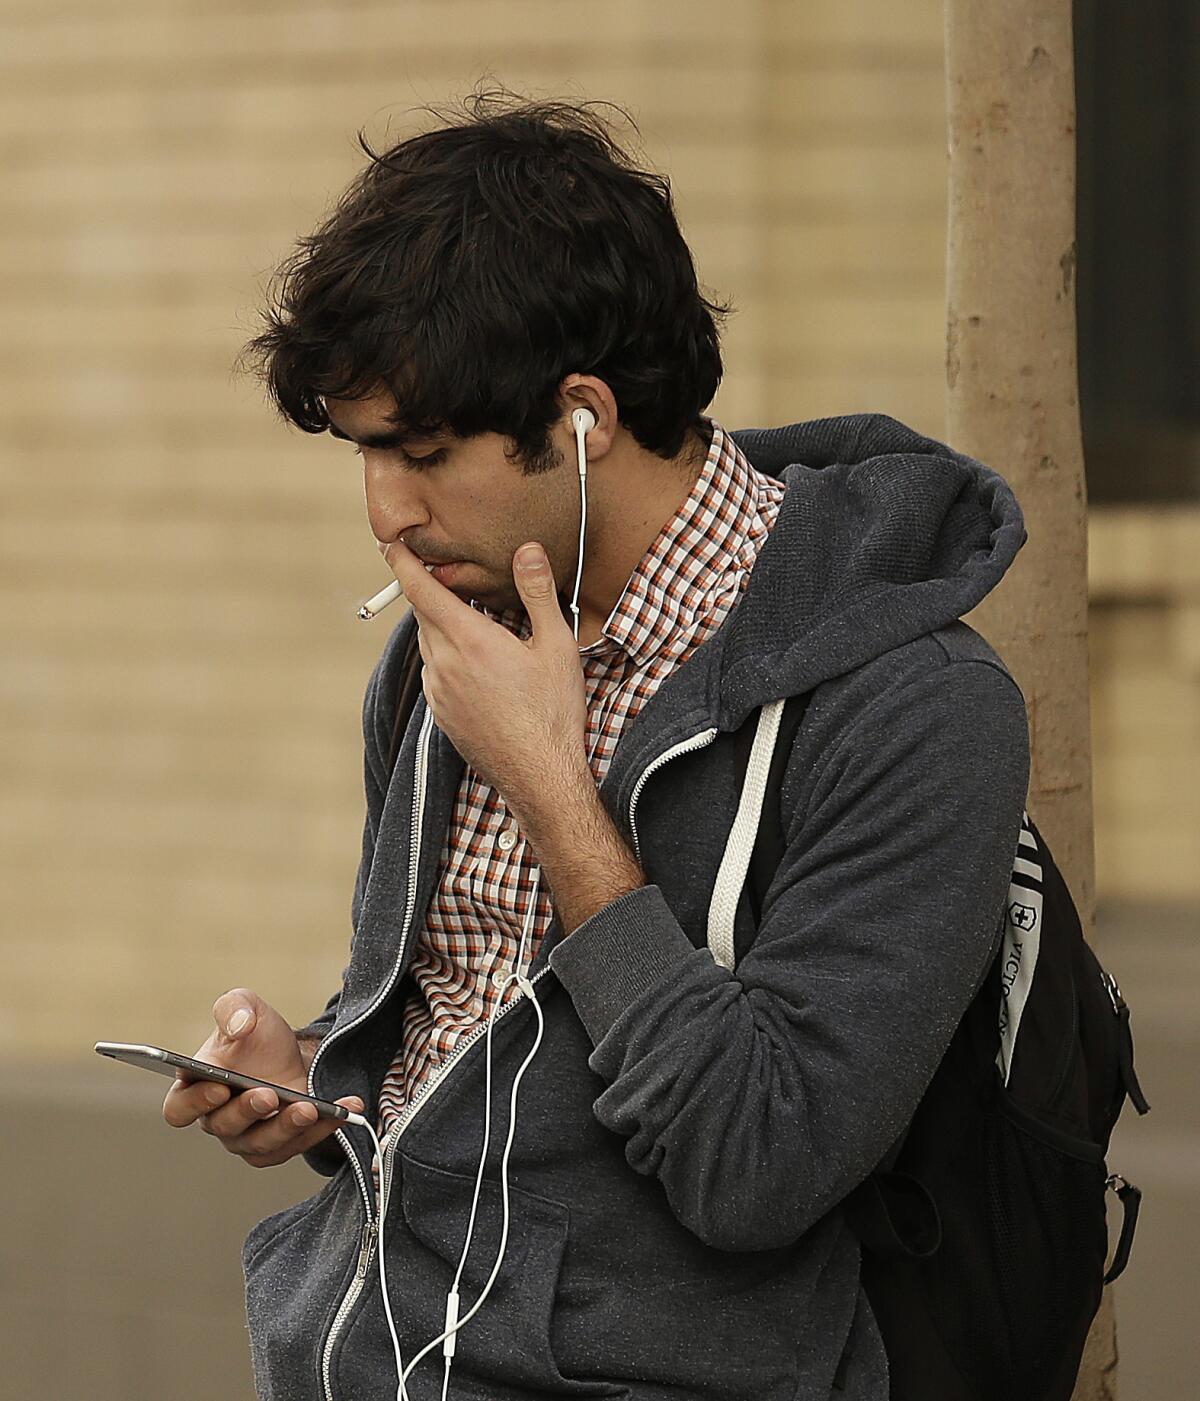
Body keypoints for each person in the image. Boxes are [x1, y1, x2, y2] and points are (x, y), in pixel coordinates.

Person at [162, 91, 1030, 1401]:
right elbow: (484, 1048)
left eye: (423, 450)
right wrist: (317, 1085)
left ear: (582, 418)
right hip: (365, 1359)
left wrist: (556, 791)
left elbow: (761, 1163)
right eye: (362, 453)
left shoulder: (914, 707)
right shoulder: (448, 649)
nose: (387, 515)